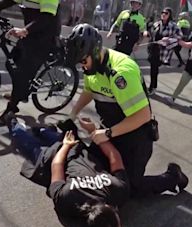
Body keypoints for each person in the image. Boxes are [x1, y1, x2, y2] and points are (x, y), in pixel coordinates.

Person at [66, 24, 188, 197]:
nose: (82, 66)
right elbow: (89, 90)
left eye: (83, 61)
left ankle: (173, 177)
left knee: (129, 187)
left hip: (136, 135)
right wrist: (73, 114)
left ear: (94, 52)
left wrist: (107, 134)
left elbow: (143, 116)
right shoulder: (91, 66)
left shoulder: (120, 73)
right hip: (110, 128)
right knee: (92, 167)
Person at [4, 113, 128, 227]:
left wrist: (65, 146)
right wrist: (94, 132)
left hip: (54, 156)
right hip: (78, 149)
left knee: (25, 142)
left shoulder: (67, 200)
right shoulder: (119, 190)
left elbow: (56, 165)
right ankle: (43, 131)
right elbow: (114, 157)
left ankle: (13, 123)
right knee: (56, 135)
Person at [0, 0, 61, 123]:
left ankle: (12, 108)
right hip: (30, 33)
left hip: (44, 37)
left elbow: (46, 18)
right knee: (10, 63)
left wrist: (25, 30)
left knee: (22, 73)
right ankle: (21, 92)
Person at [145, 7, 183, 95]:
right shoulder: (157, 24)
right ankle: (152, 87)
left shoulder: (173, 25)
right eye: (162, 12)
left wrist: (168, 39)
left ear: (169, 15)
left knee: (154, 69)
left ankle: (152, 87)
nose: (163, 14)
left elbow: (180, 36)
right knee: (153, 69)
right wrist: (147, 33)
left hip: (162, 51)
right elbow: (151, 33)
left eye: (166, 13)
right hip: (153, 49)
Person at [165, 36, 192, 106]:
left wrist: (177, 40)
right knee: (182, 82)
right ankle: (173, 98)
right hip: (190, 64)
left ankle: (173, 98)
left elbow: (187, 45)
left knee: (182, 82)